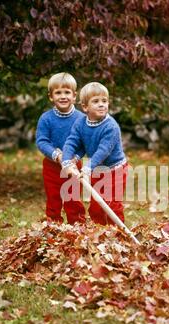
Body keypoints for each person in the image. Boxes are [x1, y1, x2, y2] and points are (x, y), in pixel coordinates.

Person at [61, 82, 128, 225]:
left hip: (115, 169)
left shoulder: (111, 126)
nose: (102, 104)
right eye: (96, 101)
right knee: (96, 207)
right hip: (97, 169)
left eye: (104, 101)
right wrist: (67, 161)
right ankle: (99, 233)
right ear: (85, 107)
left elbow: (103, 151)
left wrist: (87, 168)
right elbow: (72, 142)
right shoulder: (80, 123)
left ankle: (118, 235)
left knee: (113, 204)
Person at [36, 72, 86, 224]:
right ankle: (53, 227)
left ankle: (77, 227)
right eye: (58, 92)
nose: (63, 96)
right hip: (52, 166)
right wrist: (56, 154)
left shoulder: (80, 119)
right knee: (53, 198)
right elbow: (42, 141)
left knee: (73, 199)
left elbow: (84, 143)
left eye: (67, 92)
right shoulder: (46, 118)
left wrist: (75, 157)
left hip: (74, 165)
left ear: (74, 96)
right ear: (51, 96)